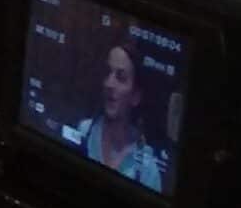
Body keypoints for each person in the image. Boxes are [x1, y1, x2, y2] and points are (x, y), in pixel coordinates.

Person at [65, 43, 170, 191]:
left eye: (121, 77)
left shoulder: (148, 170)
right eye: (107, 73)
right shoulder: (82, 131)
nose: (109, 84)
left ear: (136, 96)